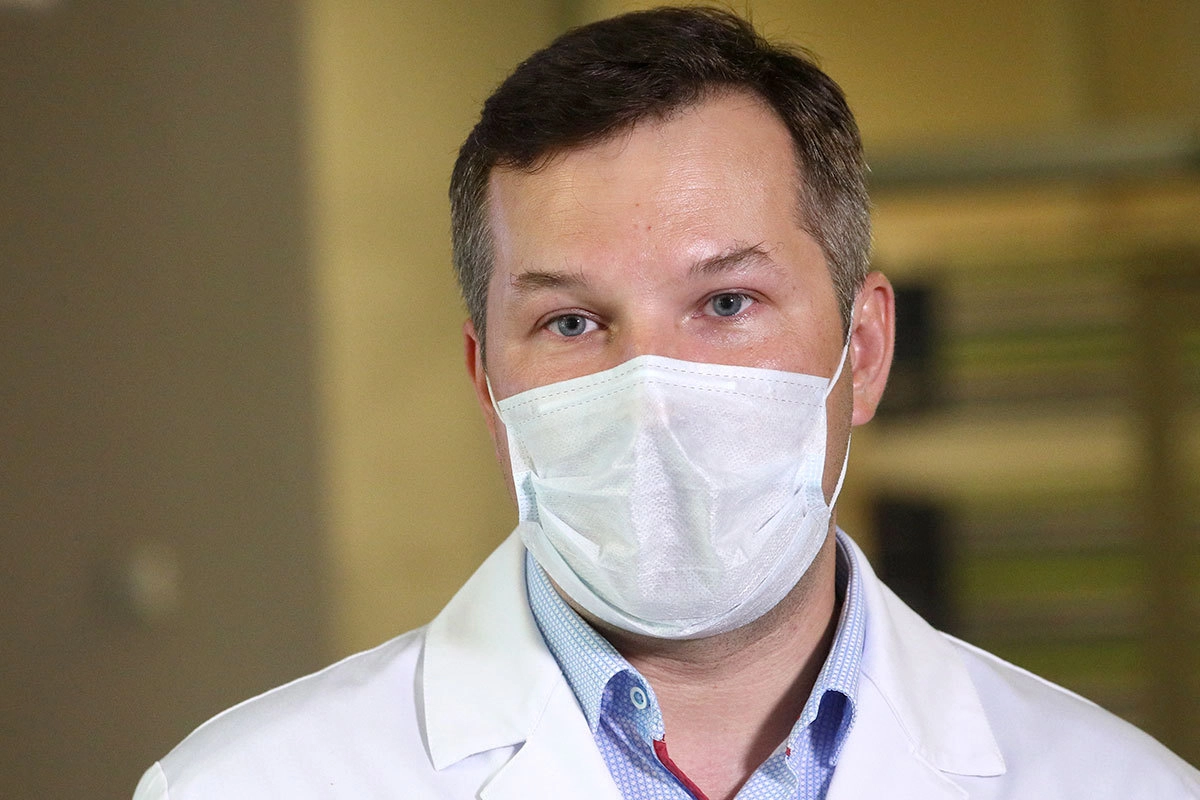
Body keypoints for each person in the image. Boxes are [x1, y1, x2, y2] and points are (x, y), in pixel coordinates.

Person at [133, 7, 1200, 799]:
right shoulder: (244, 786)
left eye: (726, 303)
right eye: (570, 321)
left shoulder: (1120, 787)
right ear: (488, 387)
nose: (651, 394)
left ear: (866, 350)